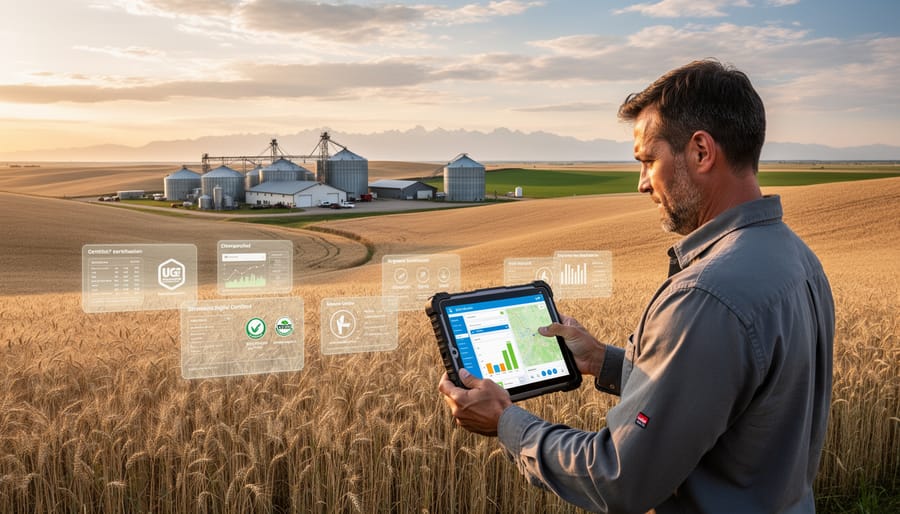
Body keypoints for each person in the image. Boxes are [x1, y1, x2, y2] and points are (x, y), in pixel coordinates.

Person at [438, 59, 835, 513]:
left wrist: (507, 423)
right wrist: (602, 361)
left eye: (648, 160)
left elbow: (618, 478)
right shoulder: (799, 259)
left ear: (701, 152)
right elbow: (725, 392)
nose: (642, 183)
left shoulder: (706, 295)